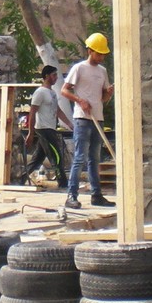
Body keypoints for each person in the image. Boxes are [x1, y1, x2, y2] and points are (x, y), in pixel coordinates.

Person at [60, 33, 115, 209]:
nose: (101, 57)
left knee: (94, 159)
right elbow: (64, 90)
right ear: (90, 51)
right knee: (79, 157)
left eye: (103, 54)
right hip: (82, 119)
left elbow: (103, 97)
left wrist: (109, 93)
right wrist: (80, 100)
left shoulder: (102, 71)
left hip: (97, 118)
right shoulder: (79, 68)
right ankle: (71, 195)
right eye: (98, 53)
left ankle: (96, 195)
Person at [22, 65, 73, 188]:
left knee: (37, 159)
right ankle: (63, 184)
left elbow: (58, 110)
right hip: (43, 130)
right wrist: (31, 132)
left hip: (51, 128)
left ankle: (20, 179)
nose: (55, 77)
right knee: (56, 157)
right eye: (54, 75)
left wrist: (69, 124)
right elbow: (32, 112)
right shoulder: (40, 93)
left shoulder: (52, 92)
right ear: (46, 76)